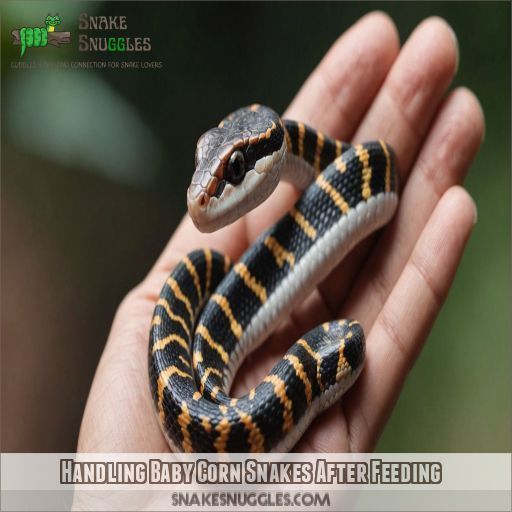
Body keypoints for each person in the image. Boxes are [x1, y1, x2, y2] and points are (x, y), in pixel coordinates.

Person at [77, 12, 484, 453]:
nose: (204, 194)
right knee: (205, 264)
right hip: (215, 405)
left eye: (235, 169)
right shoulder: (201, 300)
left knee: (213, 264)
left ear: (275, 147)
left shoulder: (331, 158)